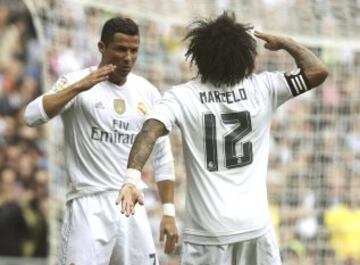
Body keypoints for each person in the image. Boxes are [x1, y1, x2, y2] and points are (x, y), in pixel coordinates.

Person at [119, 12, 328, 265]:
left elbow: (149, 131)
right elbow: (317, 71)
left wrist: (131, 178)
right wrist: (286, 43)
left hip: (207, 232)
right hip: (254, 228)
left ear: (199, 56)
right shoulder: (264, 88)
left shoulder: (183, 96)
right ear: (244, 55)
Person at [24, 16, 177, 265]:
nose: (128, 57)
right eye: (120, 49)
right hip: (88, 206)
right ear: (101, 48)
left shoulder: (147, 91)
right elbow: (31, 116)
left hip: (131, 205)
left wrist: (168, 213)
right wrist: (79, 87)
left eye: (134, 50)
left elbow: (162, 156)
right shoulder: (76, 81)